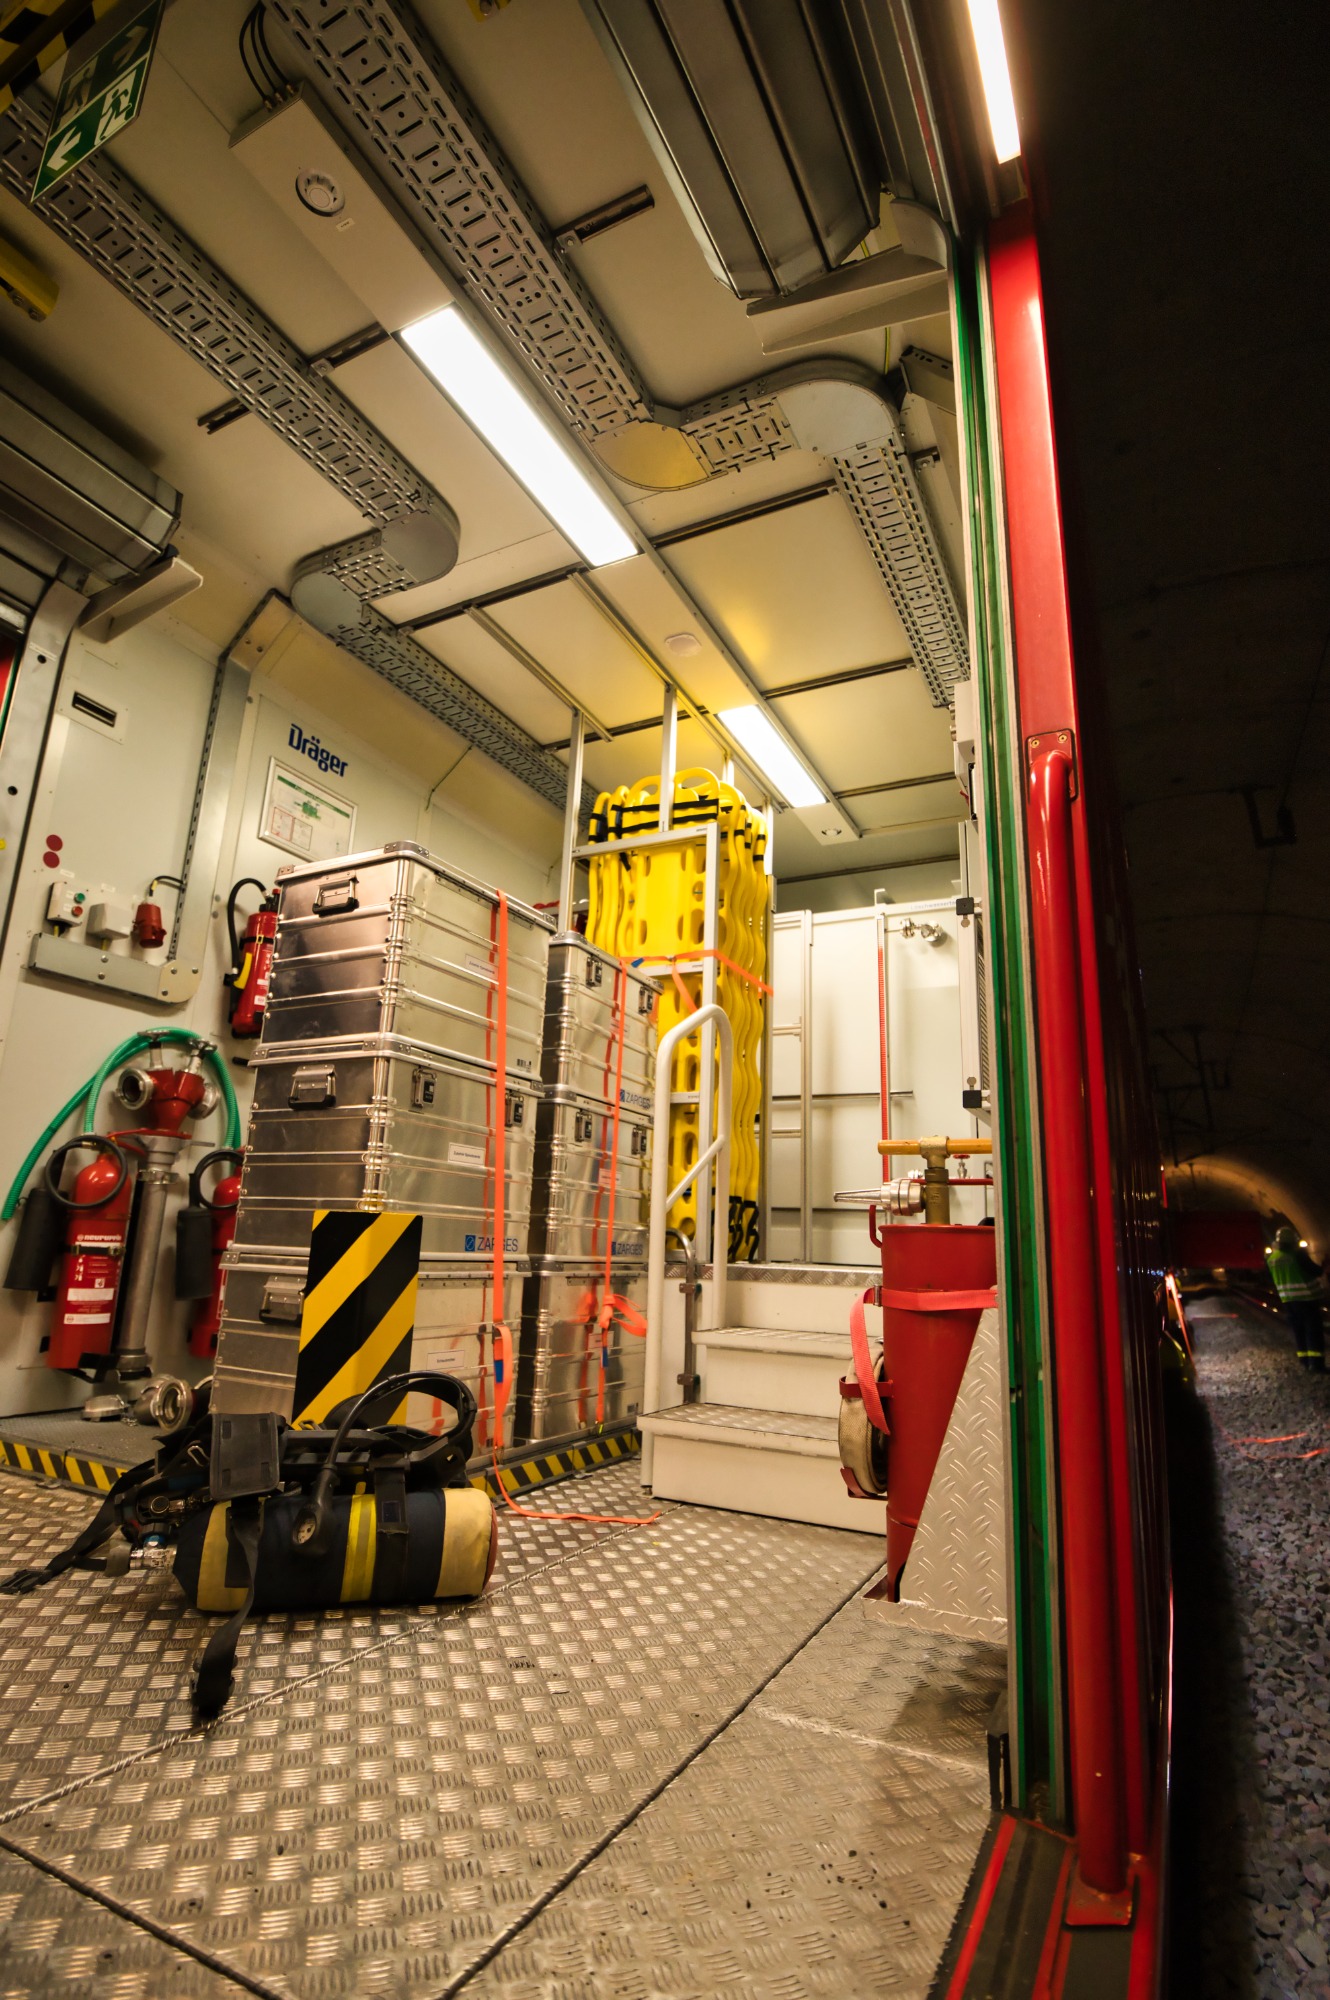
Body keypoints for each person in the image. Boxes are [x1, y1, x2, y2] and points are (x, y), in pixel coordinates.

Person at [1264, 1225, 1326, 1372]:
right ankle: (1316, 1364)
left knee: (1299, 1330)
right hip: (1307, 1299)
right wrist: (1324, 1265)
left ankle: (1304, 1361)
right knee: (1313, 1331)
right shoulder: (1297, 1255)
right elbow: (1316, 1271)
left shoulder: (1272, 1258)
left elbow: (1269, 1278)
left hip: (1288, 1301)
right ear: (1293, 1241)